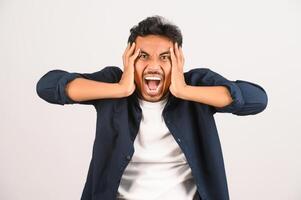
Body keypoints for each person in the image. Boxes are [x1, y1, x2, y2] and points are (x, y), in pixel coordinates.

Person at [36, 15, 268, 200]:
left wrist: (185, 91)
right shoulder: (112, 83)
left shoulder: (196, 85)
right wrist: (119, 89)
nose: (153, 65)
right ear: (129, 59)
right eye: (143, 56)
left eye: (165, 57)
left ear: (178, 61)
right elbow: (47, 86)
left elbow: (257, 99)